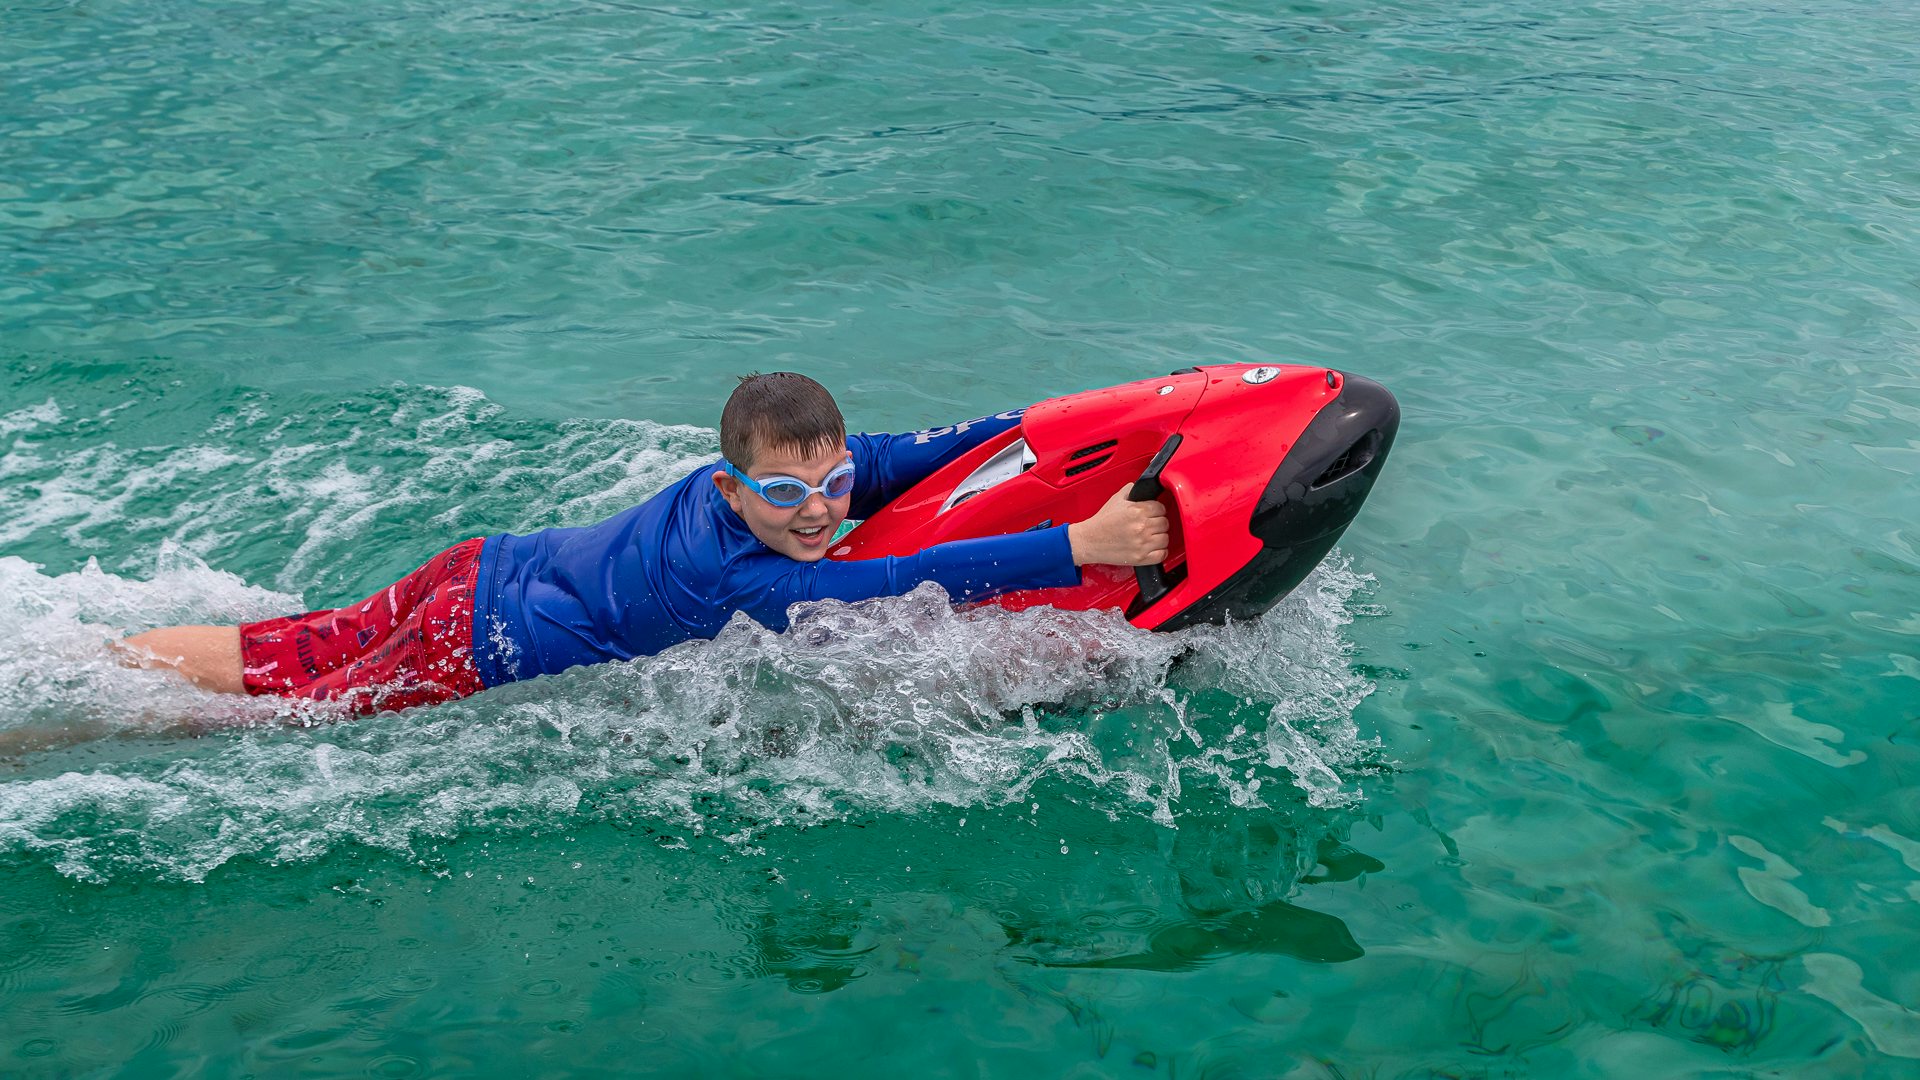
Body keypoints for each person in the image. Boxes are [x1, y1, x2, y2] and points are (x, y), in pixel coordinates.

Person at [118, 373, 1170, 715]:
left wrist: (1065, 423)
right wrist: (1081, 542)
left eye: (834, 482)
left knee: (292, 647)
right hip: (478, 636)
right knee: (289, 714)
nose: (820, 510)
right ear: (732, 488)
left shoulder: (782, 486)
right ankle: (84, 717)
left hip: (482, 567)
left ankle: (105, 655)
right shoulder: (744, 575)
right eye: (786, 493)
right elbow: (909, 577)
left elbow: (930, 453)